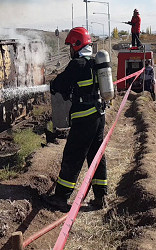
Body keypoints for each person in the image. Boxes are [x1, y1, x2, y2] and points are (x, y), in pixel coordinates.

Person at [43, 27, 108, 212]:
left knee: (73, 155)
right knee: (96, 156)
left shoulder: (77, 64)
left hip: (84, 118)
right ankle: (100, 196)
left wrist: (54, 85)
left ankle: (60, 198)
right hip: (98, 116)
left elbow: (61, 83)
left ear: (77, 45)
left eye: (70, 46)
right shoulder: (95, 62)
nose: (70, 51)